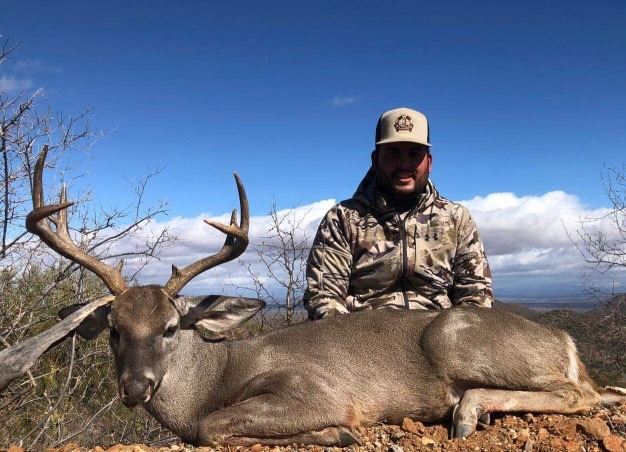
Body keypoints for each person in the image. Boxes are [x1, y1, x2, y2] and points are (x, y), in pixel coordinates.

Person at [303, 107, 493, 320]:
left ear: (429, 162)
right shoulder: (343, 219)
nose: (404, 164)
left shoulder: (457, 218)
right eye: (393, 153)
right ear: (375, 160)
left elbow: (476, 296)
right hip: (360, 333)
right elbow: (324, 297)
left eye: (414, 154)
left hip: (441, 333)